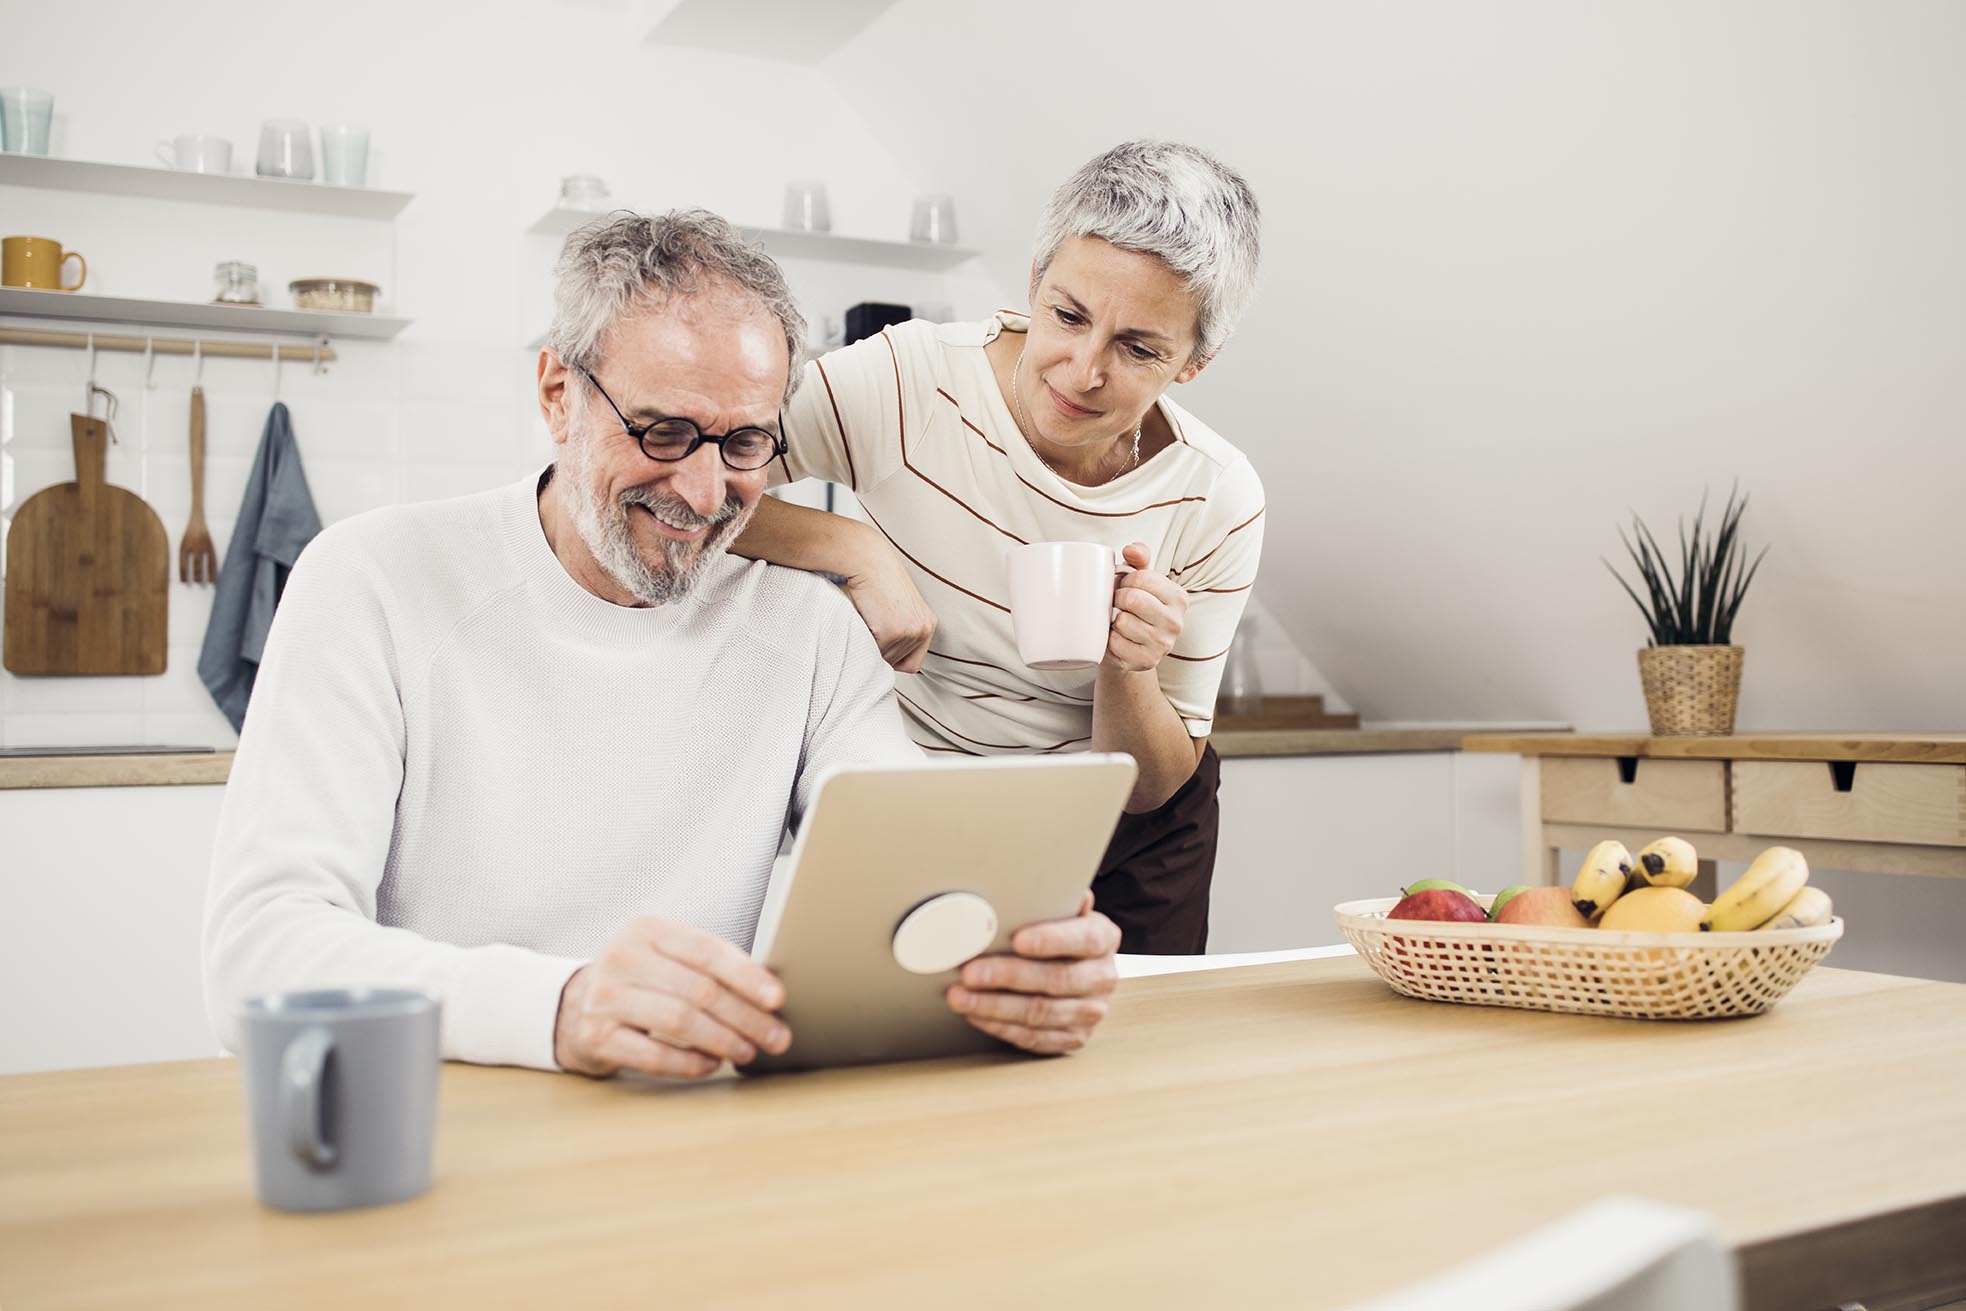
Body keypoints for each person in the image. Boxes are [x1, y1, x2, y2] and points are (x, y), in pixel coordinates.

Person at [202, 210, 1122, 1080]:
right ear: (558, 394)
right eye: (664, 431)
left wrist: (1014, 969)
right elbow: (258, 952)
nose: (702, 489)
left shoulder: (810, 629)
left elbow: (914, 879)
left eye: (746, 442)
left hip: (698, 1131)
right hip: (443, 1125)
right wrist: (562, 1006)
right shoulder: (372, 580)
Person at [732, 141, 1266, 954]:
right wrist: (854, 547)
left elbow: (1155, 784)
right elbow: (689, 489)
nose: (1082, 370)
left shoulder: (1218, 495)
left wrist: (1129, 669)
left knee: (1137, 1066)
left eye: (1139, 348)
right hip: (929, 794)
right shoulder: (907, 382)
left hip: (1127, 828)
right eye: (1069, 315)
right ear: (1033, 283)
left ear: (1195, 361)